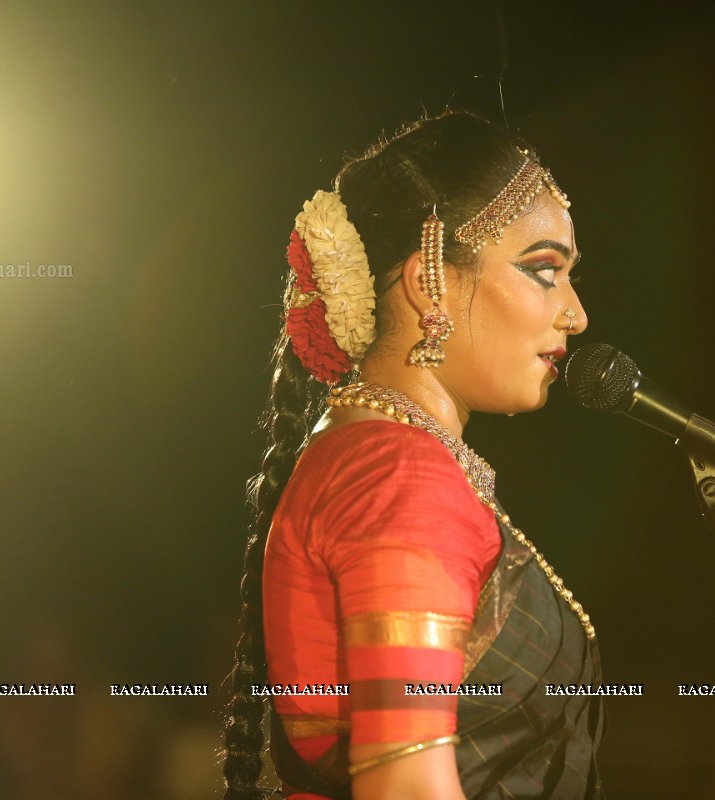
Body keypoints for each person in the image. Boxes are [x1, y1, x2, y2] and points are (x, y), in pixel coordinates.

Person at [221, 111, 604, 800]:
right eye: (544, 269)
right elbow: (408, 788)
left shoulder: (364, 456)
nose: (575, 313)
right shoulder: (400, 476)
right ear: (429, 282)